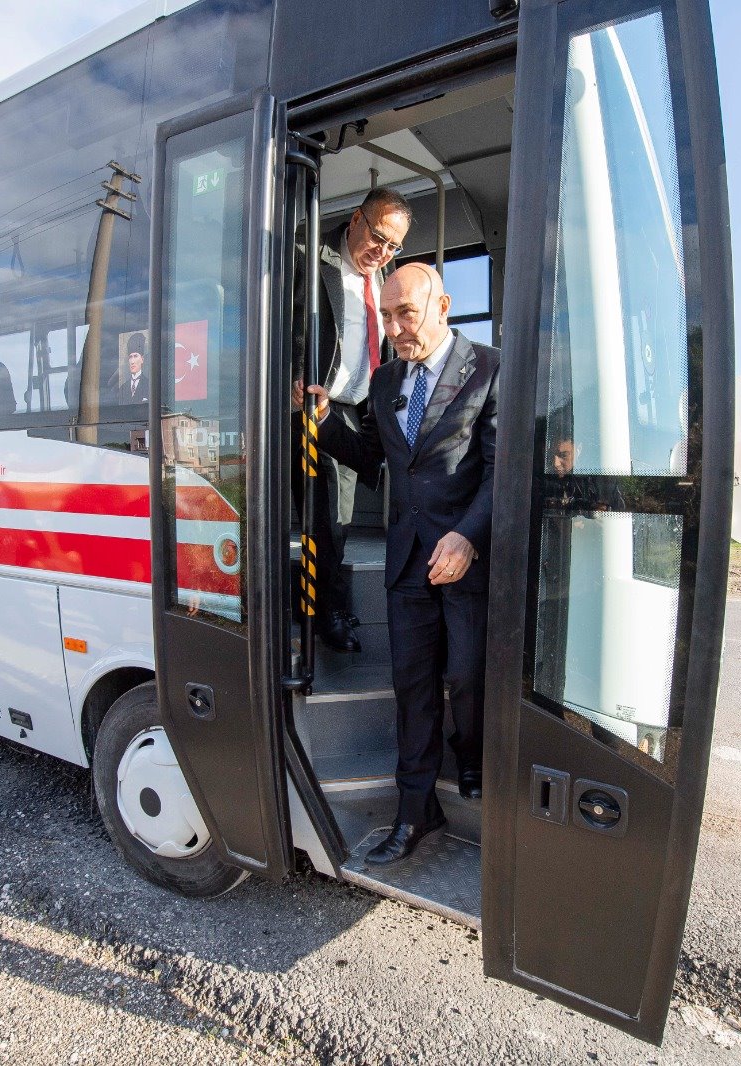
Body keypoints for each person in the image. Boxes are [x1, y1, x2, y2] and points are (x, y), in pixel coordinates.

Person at [307, 263, 498, 866]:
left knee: (467, 677)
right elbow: (372, 454)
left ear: (443, 304)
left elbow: (501, 469)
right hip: (406, 559)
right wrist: (325, 418)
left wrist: (467, 537)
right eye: (385, 317)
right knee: (412, 688)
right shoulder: (387, 382)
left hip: (466, 556)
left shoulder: (490, 369)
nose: (393, 329)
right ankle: (415, 813)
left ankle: (471, 757)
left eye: (404, 314)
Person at [301, 188, 412, 653]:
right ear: (355, 220)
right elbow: (280, 326)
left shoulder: (385, 275)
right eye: (378, 237)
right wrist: (294, 379)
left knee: (338, 519)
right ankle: (326, 612)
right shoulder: (308, 258)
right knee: (325, 517)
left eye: (393, 246)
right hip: (310, 403)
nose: (381, 252)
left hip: (356, 409)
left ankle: (328, 603)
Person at [122, 334, 150, 404]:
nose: (132, 361)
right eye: (130, 357)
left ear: (142, 359)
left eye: (135, 356)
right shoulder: (122, 388)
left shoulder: (149, 385)